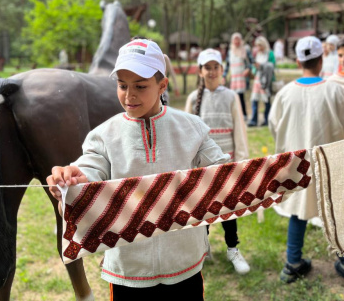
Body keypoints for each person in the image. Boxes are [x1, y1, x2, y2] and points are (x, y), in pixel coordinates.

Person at [46, 39, 230, 300]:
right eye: (122, 86)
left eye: (140, 86)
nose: (129, 95)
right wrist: (76, 177)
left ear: (162, 85)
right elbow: (91, 166)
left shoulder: (192, 128)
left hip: (184, 264)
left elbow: (223, 170)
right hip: (127, 269)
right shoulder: (104, 135)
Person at [268, 36, 344, 290]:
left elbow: (274, 127)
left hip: (297, 165)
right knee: (336, 212)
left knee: (298, 212)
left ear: (298, 61)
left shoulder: (285, 94)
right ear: (322, 59)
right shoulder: (334, 90)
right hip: (328, 164)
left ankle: (292, 262)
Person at [185, 48, 251, 275]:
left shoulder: (231, 97)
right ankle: (202, 249)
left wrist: (241, 163)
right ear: (200, 71)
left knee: (229, 210)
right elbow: (186, 136)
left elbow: (240, 132)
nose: (212, 72)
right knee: (203, 210)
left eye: (216, 67)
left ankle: (233, 249)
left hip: (227, 165)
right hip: (202, 168)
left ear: (222, 70)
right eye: (207, 67)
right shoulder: (193, 99)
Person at [247, 36, 275, 127]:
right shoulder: (258, 54)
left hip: (265, 80)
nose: (259, 48)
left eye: (260, 46)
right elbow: (254, 67)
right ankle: (254, 120)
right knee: (254, 99)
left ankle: (267, 119)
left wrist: (262, 66)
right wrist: (255, 68)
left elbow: (272, 66)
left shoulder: (270, 53)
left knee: (266, 100)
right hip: (257, 79)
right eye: (257, 46)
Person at [223, 33, 252, 119]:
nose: (236, 41)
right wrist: (224, 76)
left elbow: (251, 62)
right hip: (234, 77)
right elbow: (227, 65)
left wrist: (248, 69)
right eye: (235, 40)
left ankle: (244, 114)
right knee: (234, 96)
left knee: (241, 96)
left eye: (238, 39)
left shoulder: (245, 50)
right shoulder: (230, 51)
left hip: (242, 77)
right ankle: (235, 115)